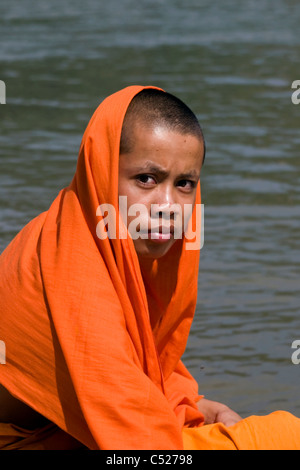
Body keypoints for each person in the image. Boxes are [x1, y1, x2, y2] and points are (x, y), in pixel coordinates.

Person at [0, 85, 299, 450]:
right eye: (147, 179)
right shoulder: (73, 274)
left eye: (185, 184)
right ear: (102, 169)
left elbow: (133, 367)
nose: (168, 206)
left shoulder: (97, 235)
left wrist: (194, 405)